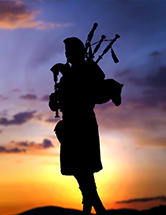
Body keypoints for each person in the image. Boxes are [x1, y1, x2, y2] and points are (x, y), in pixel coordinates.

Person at [49, 37, 108, 214]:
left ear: (80, 52)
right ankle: (93, 208)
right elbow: (64, 99)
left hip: (83, 124)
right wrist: (55, 101)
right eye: (66, 52)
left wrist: (66, 73)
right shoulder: (69, 73)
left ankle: (95, 208)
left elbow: (89, 88)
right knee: (79, 170)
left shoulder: (89, 69)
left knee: (83, 168)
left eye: (71, 52)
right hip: (69, 125)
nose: (68, 55)